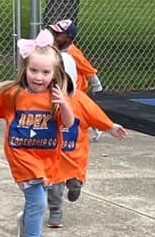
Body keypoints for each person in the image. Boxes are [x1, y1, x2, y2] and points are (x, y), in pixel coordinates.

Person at [0, 29, 74, 237]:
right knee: (38, 202)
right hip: (21, 156)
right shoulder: (13, 94)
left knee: (35, 201)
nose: (38, 76)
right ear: (26, 69)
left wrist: (63, 104)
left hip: (46, 158)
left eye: (45, 72)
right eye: (34, 70)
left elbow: (67, 122)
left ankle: (25, 225)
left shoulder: (55, 97)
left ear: (54, 74)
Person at [45, 91, 127, 228]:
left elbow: (95, 115)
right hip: (54, 153)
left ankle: (75, 186)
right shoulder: (44, 97)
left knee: (75, 180)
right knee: (53, 185)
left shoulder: (79, 99)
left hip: (75, 154)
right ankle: (55, 211)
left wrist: (110, 127)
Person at [48, 19, 103, 95]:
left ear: (69, 38)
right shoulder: (51, 47)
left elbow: (88, 70)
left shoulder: (73, 52)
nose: (54, 35)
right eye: (54, 32)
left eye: (58, 33)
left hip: (76, 90)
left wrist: (97, 87)